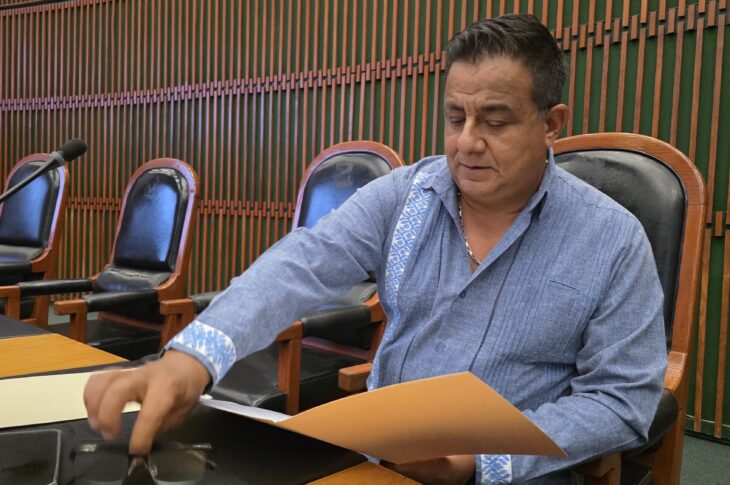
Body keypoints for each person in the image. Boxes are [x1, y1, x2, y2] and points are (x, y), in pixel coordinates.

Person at [84, 14, 666, 484]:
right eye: (455, 118)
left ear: (551, 123)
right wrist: (192, 359)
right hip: (376, 461)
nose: (467, 143)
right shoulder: (407, 196)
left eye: (495, 122)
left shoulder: (611, 240)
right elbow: (301, 264)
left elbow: (620, 401)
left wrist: (479, 461)